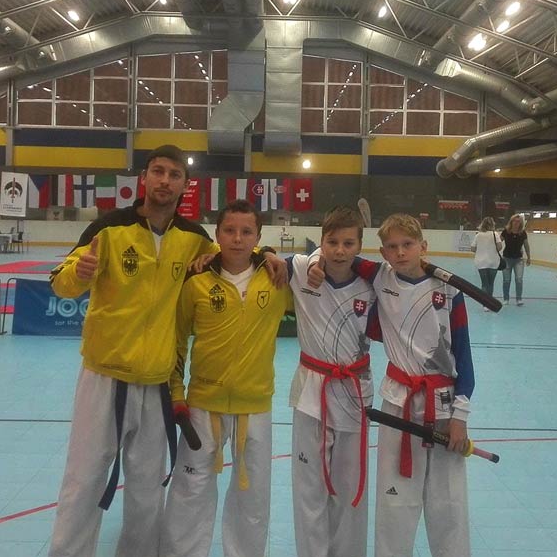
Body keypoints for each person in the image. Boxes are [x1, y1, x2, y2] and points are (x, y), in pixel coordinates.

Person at [46, 145, 285, 557]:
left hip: (157, 382)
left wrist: (268, 254)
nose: (165, 181)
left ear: (185, 185)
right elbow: (61, 281)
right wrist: (78, 274)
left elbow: (234, 252)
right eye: (158, 171)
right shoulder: (109, 228)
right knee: (84, 480)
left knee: (148, 488)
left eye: (175, 175)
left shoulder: (193, 239)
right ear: (144, 178)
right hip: (105, 375)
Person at [162, 200, 291, 557]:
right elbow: (176, 340)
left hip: (256, 405)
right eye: (229, 231)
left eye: (247, 232)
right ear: (216, 235)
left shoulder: (278, 279)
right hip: (203, 404)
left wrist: (271, 255)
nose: (237, 238)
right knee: (190, 491)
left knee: (253, 497)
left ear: (258, 238)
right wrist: (176, 393)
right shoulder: (196, 281)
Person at [345, 214, 474, 557]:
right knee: (395, 501)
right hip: (398, 403)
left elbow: (464, 357)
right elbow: (338, 254)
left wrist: (460, 417)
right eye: (392, 246)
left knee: (448, 503)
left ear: (423, 246)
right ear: (383, 253)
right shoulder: (380, 277)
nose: (400, 252)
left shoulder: (449, 290)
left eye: (408, 244)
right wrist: (309, 264)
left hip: (443, 404)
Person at [287, 206, 375, 557]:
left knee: (349, 490)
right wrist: (312, 260)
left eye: (348, 243)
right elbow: (265, 257)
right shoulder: (300, 270)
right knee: (308, 489)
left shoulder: (373, 283)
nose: (340, 250)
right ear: (321, 241)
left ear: (359, 245)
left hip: (355, 393)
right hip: (311, 394)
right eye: (332, 242)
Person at [500, 214, 531, 306]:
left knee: (519, 279)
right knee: (506, 280)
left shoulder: (523, 233)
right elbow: (498, 242)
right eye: (515, 221)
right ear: (511, 221)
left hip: (518, 260)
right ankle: (506, 299)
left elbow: (526, 245)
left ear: (521, 223)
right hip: (506, 259)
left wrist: (529, 257)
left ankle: (519, 299)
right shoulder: (506, 231)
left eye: (518, 221)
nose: (516, 223)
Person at [471, 217, 502, 308]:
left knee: (484, 284)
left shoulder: (478, 235)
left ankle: (484, 303)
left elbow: (473, 249)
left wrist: (481, 249)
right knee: (491, 283)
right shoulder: (495, 234)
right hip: (493, 262)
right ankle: (490, 302)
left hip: (481, 262)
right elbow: (499, 247)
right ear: (492, 224)